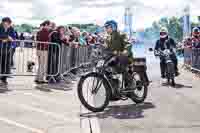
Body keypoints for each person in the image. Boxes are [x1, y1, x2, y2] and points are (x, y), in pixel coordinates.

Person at [104, 20, 149, 89]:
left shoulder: (121, 34)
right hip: (114, 58)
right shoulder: (108, 38)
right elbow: (106, 48)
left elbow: (128, 43)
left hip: (125, 57)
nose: (106, 29)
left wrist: (125, 51)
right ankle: (114, 86)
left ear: (113, 27)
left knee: (122, 66)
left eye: (108, 27)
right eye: (106, 28)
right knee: (105, 68)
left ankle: (130, 83)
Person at [0, 17, 16, 84]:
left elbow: (13, 37)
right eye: (4, 23)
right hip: (0, 48)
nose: (6, 24)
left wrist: (6, 39)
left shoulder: (11, 28)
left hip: (8, 49)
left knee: (6, 64)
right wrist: (7, 37)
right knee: (1, 64)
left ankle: (4, 78)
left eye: (7, 23)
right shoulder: (0, 27)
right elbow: (1, 35)